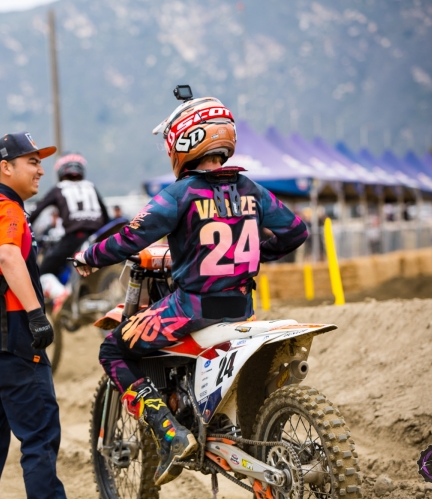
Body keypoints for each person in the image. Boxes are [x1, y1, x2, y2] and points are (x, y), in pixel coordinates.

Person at [74, 95, 308, 486]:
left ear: (182, 142)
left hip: (190, 310)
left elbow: (133, 236)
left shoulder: (181, 193)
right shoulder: (251, 188)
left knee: (112, 349)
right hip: (240, 309)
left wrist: (90, 256)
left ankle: (170, 434)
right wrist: (250, 255)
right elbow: (296, 231)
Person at [0, 132, 66, 499]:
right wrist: (37, 316)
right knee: (39, 437)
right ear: (6, 168)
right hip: (16, 342)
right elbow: (7, 256)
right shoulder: (7, 209)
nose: (41, 170)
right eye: (32, 162)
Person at [29, 152, 109, 310]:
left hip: (74, 237)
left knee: (42, 272)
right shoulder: (91, 186)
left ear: (60, 171)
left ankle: (61, 295)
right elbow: (106, 216)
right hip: (98, 238)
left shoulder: (59, 188)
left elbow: (36, 212)